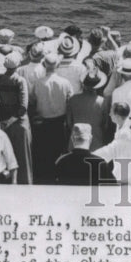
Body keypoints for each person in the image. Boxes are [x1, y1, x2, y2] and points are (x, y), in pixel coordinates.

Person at [29, 48, 74, 183]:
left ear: (44, 65)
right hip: (60, 122)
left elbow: (32, 101)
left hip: (42, 123)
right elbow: (70, 102)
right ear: (58, 65)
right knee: (59, 151)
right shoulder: (65, 83)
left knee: (44, 153)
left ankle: (44, 177)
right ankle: (58, 176)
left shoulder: (37, 83)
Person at [0, 52, 33, 184]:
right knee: (23, 156)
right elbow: (23, 107)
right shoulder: (20, 80)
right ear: (17, 66)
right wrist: (12, 119)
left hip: (3, 122)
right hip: (18, 122)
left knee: (6, 155)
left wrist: (4, 121)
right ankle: (24, 182)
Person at [66, 66, 108, 151]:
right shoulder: (102, 102)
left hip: (76, 141)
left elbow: (69, 123)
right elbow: (105, 124)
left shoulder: (73, 99)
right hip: (96, 141)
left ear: (83, 84)